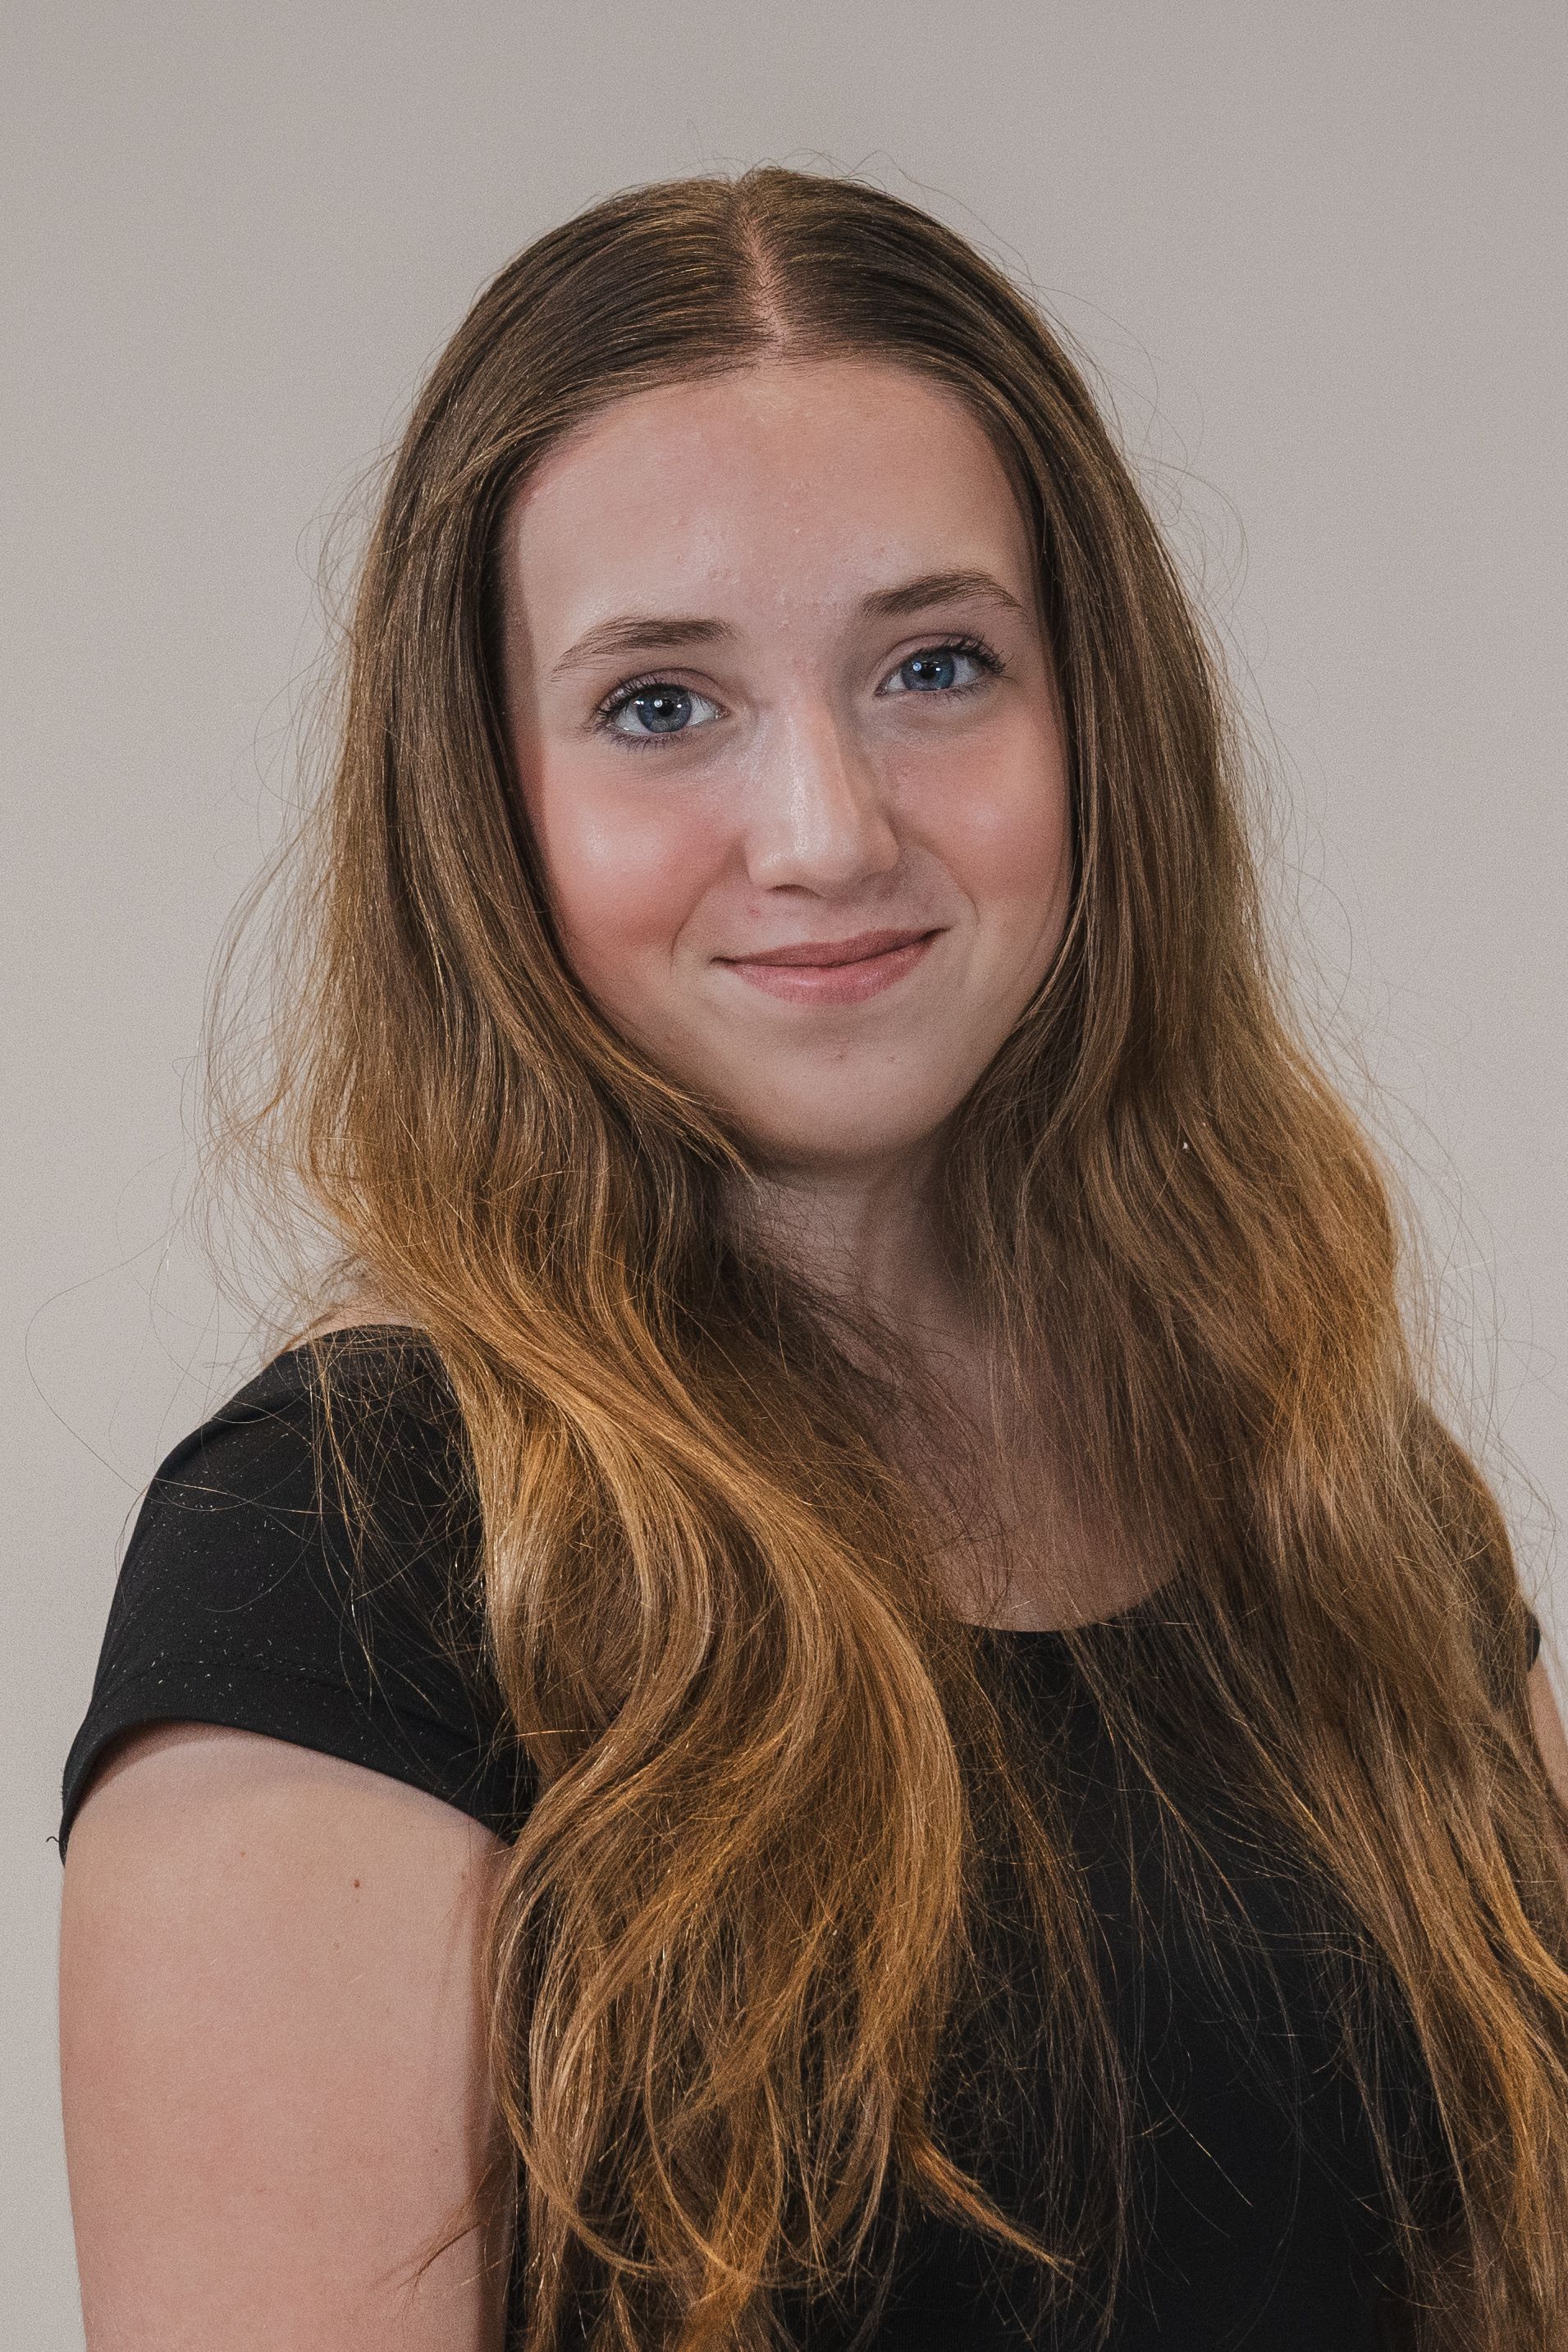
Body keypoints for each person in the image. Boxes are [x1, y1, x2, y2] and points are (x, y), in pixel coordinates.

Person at [56, 166, 1568, 2352]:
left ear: (1095, 727)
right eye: (662, 705)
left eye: (935, 665)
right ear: (488, 802)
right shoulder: (339, 1552)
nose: (832, 828)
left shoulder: (1333, 1483)